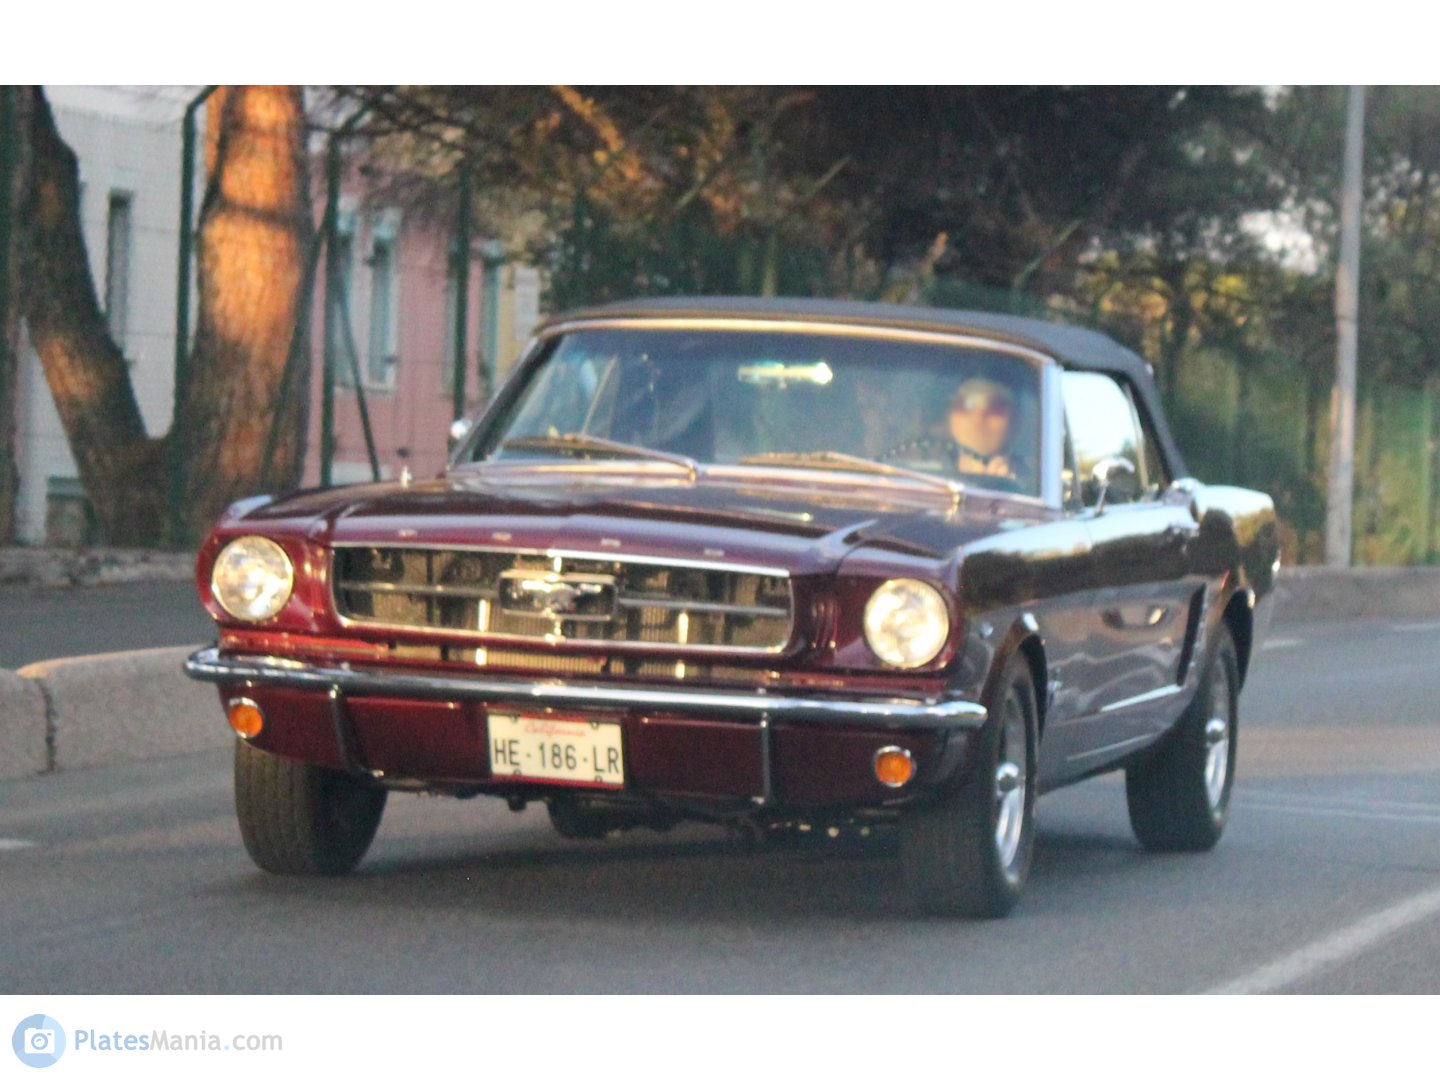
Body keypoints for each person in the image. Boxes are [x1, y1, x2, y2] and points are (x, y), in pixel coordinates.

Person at [947, 377, 1017, 480]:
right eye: (966, 404)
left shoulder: (1037, 483)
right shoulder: (920, 471)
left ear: (1016, 418)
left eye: (995, 407)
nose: (978, 417)